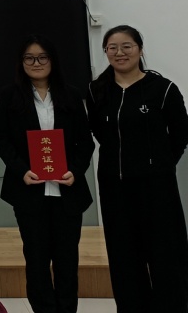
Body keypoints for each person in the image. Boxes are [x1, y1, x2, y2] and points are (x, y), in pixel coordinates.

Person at [86, 24, 188, 313]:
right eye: (112, 48)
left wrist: (160, 165)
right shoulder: (97, 91)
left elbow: (180, 135)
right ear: (106, 52)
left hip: (157, 188)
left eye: (127, 46)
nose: (120, 53)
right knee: (124, 256)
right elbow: (99, 133)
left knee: (166, 254)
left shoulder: (163, 89)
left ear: (140, 50)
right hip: (114, 186)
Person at [0, 35, 95, 313]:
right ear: (21, 62)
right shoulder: (10, 96)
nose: (36, 63)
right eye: (29, 58)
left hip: (67, 191)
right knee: (36, 259)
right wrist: (22, 170)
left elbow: (85, 142)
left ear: (52, 61)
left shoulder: (71, 94)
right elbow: (1, 138)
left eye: (42, 57)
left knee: (67, 260)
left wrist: (75, 171)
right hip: (29, 190)